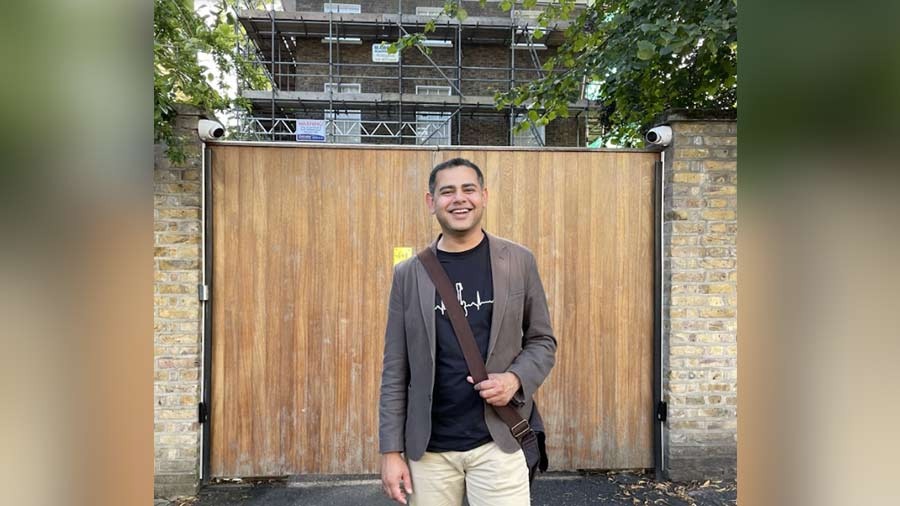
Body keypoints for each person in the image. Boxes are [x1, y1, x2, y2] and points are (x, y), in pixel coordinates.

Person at [379, 158, 557, 505]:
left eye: (468, 189)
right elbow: (395, 369)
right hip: (428, 451)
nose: (459, 199)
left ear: (484, 196)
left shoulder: (519, 261)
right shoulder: (408, 275)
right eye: (447, 191)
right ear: (431, 203)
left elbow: (542, 341)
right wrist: (390, 450)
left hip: (499, 442)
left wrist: (515, 379)